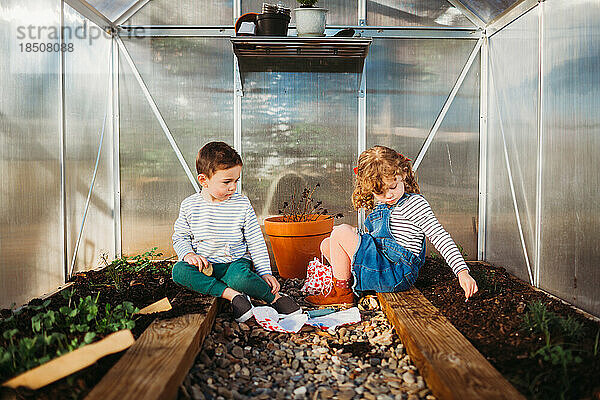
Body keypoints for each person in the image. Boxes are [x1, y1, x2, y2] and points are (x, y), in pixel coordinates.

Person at [306, 145, 478, 306]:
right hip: (382, 263)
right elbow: (378, 240)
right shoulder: (382, 205)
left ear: (402, 174)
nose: (388, 195)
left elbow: (439, 236)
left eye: (393, 187)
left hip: (396, 271)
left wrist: (462, 272)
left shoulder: (414, 204)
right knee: (327, 244)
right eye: (379, 192)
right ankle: (351, 286)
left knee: (341, 232)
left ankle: (341, 294)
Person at [172, 141, 301, 322]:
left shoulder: (241, 204)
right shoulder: (190, 206)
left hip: (234, 264)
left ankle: (276, 299)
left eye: (236, 181)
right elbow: (180, 236)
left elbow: (255, 241)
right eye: (227, 182)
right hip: (205, 266)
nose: (233, 187)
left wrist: (265, 272)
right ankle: (232, 296)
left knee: (241, 278)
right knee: (179, 271)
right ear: (204, 180)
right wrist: (188, 254)